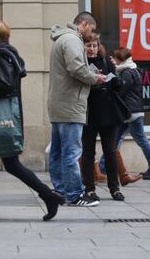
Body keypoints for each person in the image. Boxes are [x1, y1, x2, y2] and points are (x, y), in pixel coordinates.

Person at [0, 20, 65, 222]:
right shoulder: (8, 54)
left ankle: (48, 195)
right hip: (2, 117)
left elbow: (3, 85)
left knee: (11, 164)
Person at [47, 12, 106, 207]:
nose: (92, 33)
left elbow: (73, 68)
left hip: (59, 103)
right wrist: (94, 78)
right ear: (83, 23)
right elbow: (76, 69)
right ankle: (74, 195)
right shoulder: (72, 40)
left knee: (57, 151)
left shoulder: (62, 38)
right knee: (71, 152)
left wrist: (89, 72)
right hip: (71, 104)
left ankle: (60, 191)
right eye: (92, 28)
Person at [81, 33, 126, 201]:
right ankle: (89, 188)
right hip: (88, 113)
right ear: (83, 47)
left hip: (107, 113)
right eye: (88, 46)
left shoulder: (106, 61)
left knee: (110, 152)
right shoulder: (80, 63)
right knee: (88, 153)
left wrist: (116, 82)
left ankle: (114, 188)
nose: (92, 49)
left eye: (94, 45)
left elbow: (116, 86)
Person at [111, 47, 150, 180]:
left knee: (135, 140)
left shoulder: (127, 72)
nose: (113, 60)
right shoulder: (130, 70)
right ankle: (104, 167)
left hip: (130, 112)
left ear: (121, 59)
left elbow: (121, 91)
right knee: (115, 140)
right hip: (132, 111)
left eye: (115, 58)